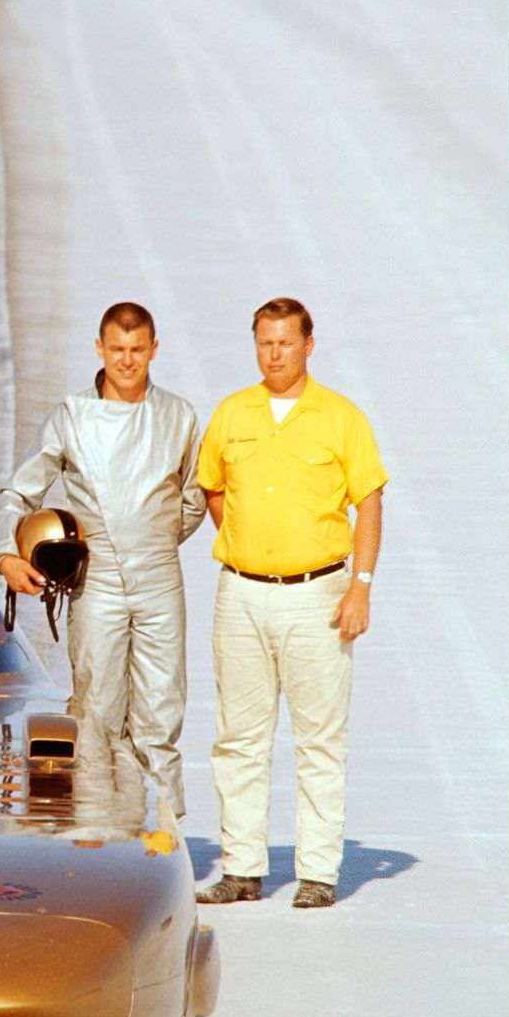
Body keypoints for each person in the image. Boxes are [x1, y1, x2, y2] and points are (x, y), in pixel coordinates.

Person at [194, 297, 387, 908]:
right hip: (243, 595)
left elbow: (370, 502)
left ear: (308, 344)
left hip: (320, 597)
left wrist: (361, 584)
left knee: (319, 738)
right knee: (239, 737)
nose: (274, 353)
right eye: (264, 342)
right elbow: (214, 490)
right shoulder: (232, 413)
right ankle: (243, 867)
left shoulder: (340, 417)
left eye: (285, 342)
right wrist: (251, 546)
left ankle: (319, 873)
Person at [0, 302, 206, 816]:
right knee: (95, 714)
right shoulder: (73, 415)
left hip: (159, 579)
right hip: (98, 583)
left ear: (155, 349)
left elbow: (194, 498)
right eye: (117, 350)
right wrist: (6, 555)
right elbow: (18, 493)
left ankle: (161, 843)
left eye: (137, 350)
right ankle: (95, 839)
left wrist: (150, 540)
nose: (128, 361)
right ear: (99, 349)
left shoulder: (179, 416)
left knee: (161, 712)